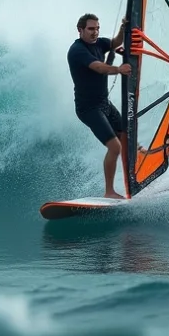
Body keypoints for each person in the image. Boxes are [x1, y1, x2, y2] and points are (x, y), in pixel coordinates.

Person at [68, 13, 131, 199]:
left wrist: (123, 27)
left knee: (126, 138)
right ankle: (109, 191)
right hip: (88, 109)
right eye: (90, 29)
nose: (95, 32)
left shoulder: (99, 43)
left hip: (104, 104)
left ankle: (133, 177)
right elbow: (98, 67)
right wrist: (118, 69)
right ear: (80, 30)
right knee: (115, 147)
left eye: (97, 28)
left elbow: (115, 42)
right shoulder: (77, 50)